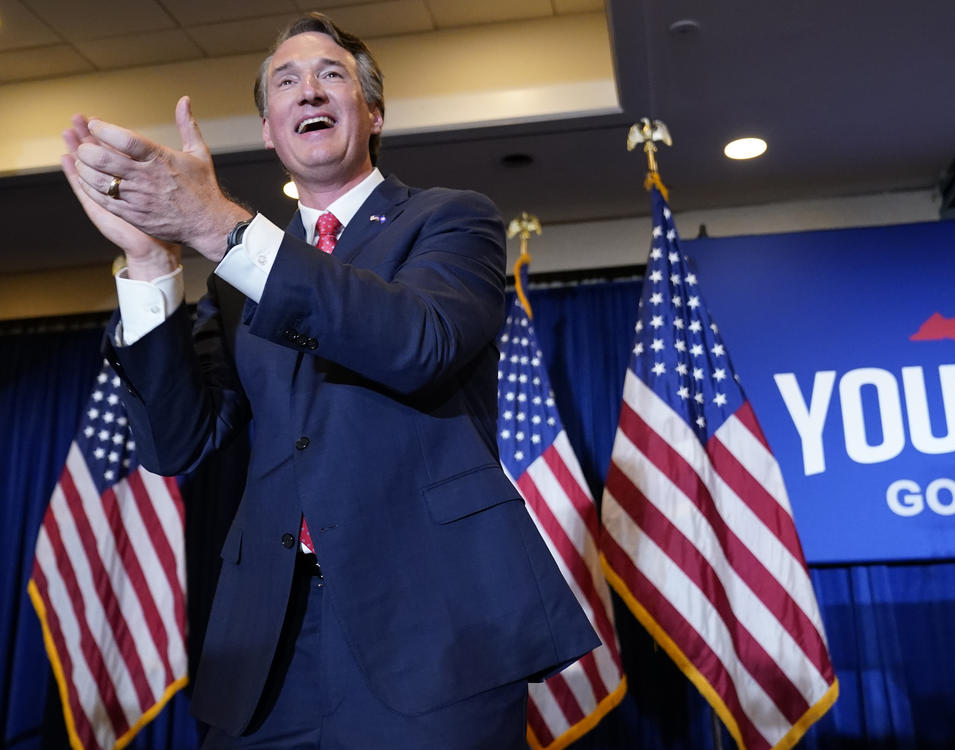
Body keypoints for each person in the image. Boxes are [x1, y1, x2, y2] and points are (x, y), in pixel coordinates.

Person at [60, 12, 599, 750]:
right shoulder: (236, 275)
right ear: (268, 129)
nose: (308, 89)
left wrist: (220, 226)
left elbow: (419, 345)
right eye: (286, 81)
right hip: (267, 647)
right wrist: (151, 264)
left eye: (331, 74)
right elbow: (175, 444)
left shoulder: (450, 222)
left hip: (430, 629)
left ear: (373, 114)